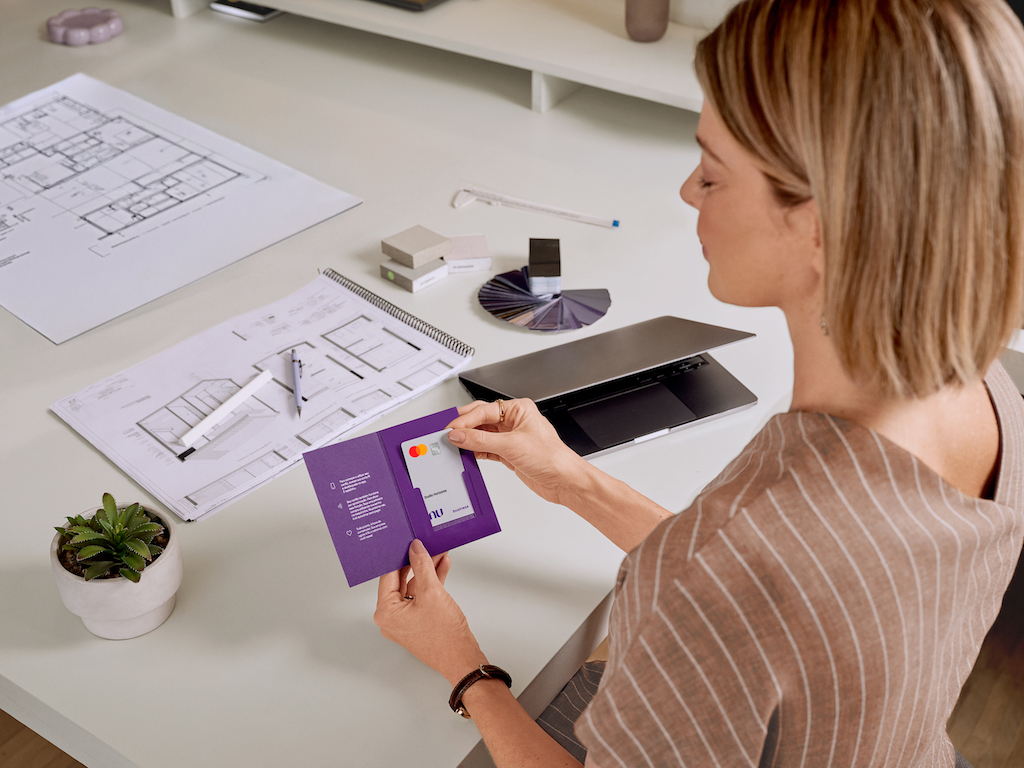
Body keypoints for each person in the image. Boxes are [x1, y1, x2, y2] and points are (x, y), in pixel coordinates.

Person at [374, 0, 1024, 765]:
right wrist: (573, 481)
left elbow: (740, 584)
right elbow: (782, 595)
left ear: (823, 223)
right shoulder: (985, 387)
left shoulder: (736, 564)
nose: (688, 192)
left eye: (712, 173)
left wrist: (465, 668)